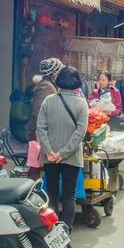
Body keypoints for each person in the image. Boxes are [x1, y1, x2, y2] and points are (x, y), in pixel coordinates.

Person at [36, 66, 89, 229]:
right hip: (71, 157)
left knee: (51, 192)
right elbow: (80, 132)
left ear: (59, 81)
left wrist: (49, 151)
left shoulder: (48, 101)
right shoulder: (82, 104)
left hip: (50, 156)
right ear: (77, 83)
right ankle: (66, 228)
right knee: (69, 194)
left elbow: (40, 127)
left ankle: (52, 228)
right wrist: (64, 153)